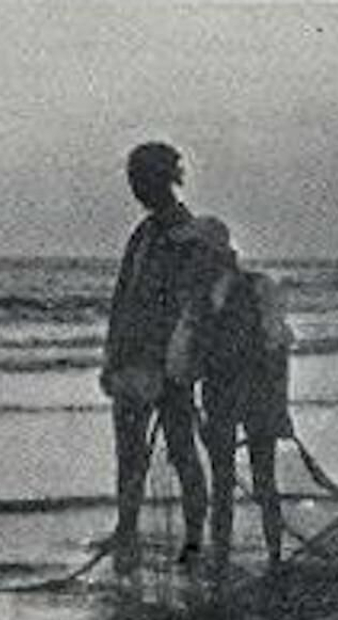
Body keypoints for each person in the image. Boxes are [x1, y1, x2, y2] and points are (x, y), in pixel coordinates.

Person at [101, 142, 210, 575]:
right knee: (129, 455)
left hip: (171, 366)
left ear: (159, 179)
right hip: (131, 363)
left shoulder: (189, 234)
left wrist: (176, 364)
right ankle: (126, 531)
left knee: (182, 450)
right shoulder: (143, 234)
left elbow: (193, 306)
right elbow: (121, 299)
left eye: (138, 178)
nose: (134, 187)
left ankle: (194, 539)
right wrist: (111, 357)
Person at [167, 217, 293, 578]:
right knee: (225, 484)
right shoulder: (201, 299)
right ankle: (225, 558)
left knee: (262, 479)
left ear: (213, 253)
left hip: (252, 398)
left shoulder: (256, 289)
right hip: (222, 398)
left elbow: (278, 350)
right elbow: (186, 361)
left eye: (195, 252)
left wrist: (279, 408)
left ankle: (273, 559)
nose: (190, 259)